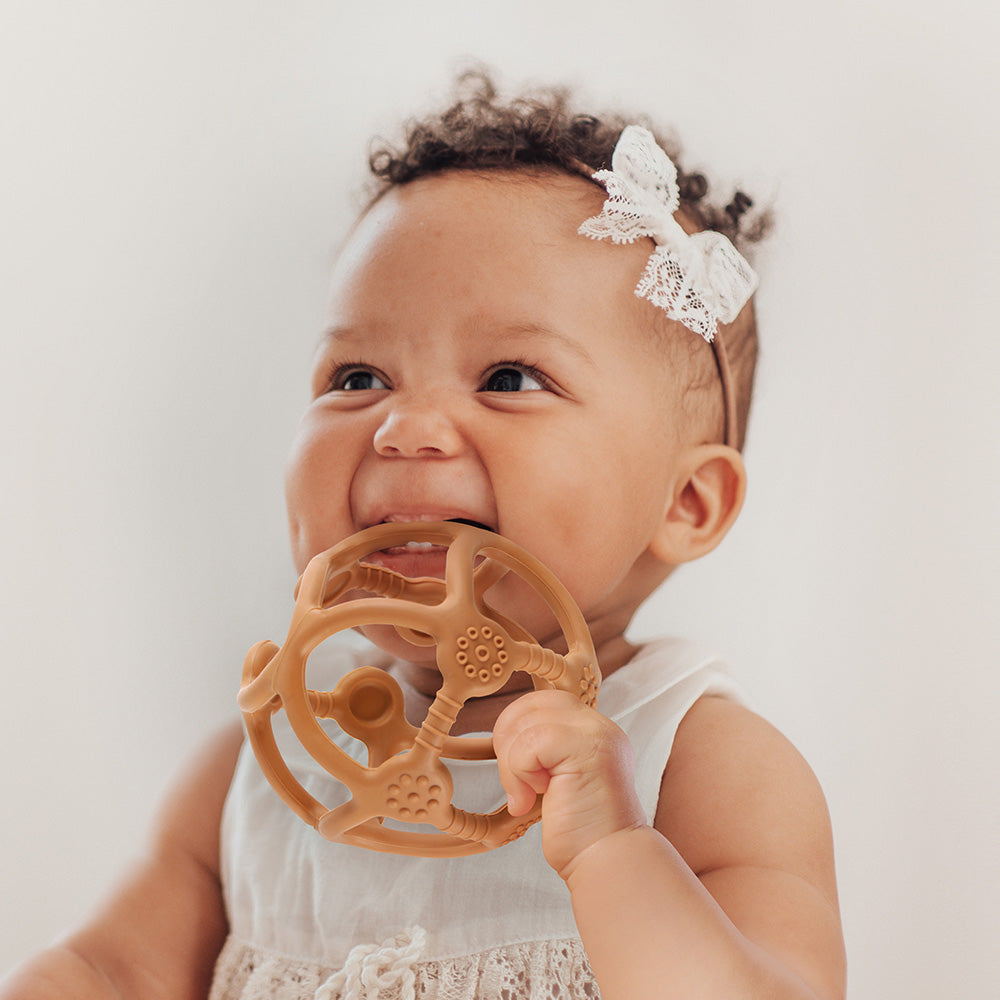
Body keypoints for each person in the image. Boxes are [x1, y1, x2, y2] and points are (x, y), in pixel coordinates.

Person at [1, 72, 846, 1000]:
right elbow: (109, 971)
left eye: (510, 379)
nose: (403, 427)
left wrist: (613, 851)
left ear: (687, 503)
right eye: (357, 377)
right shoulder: (260, 770)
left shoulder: (707, 769)